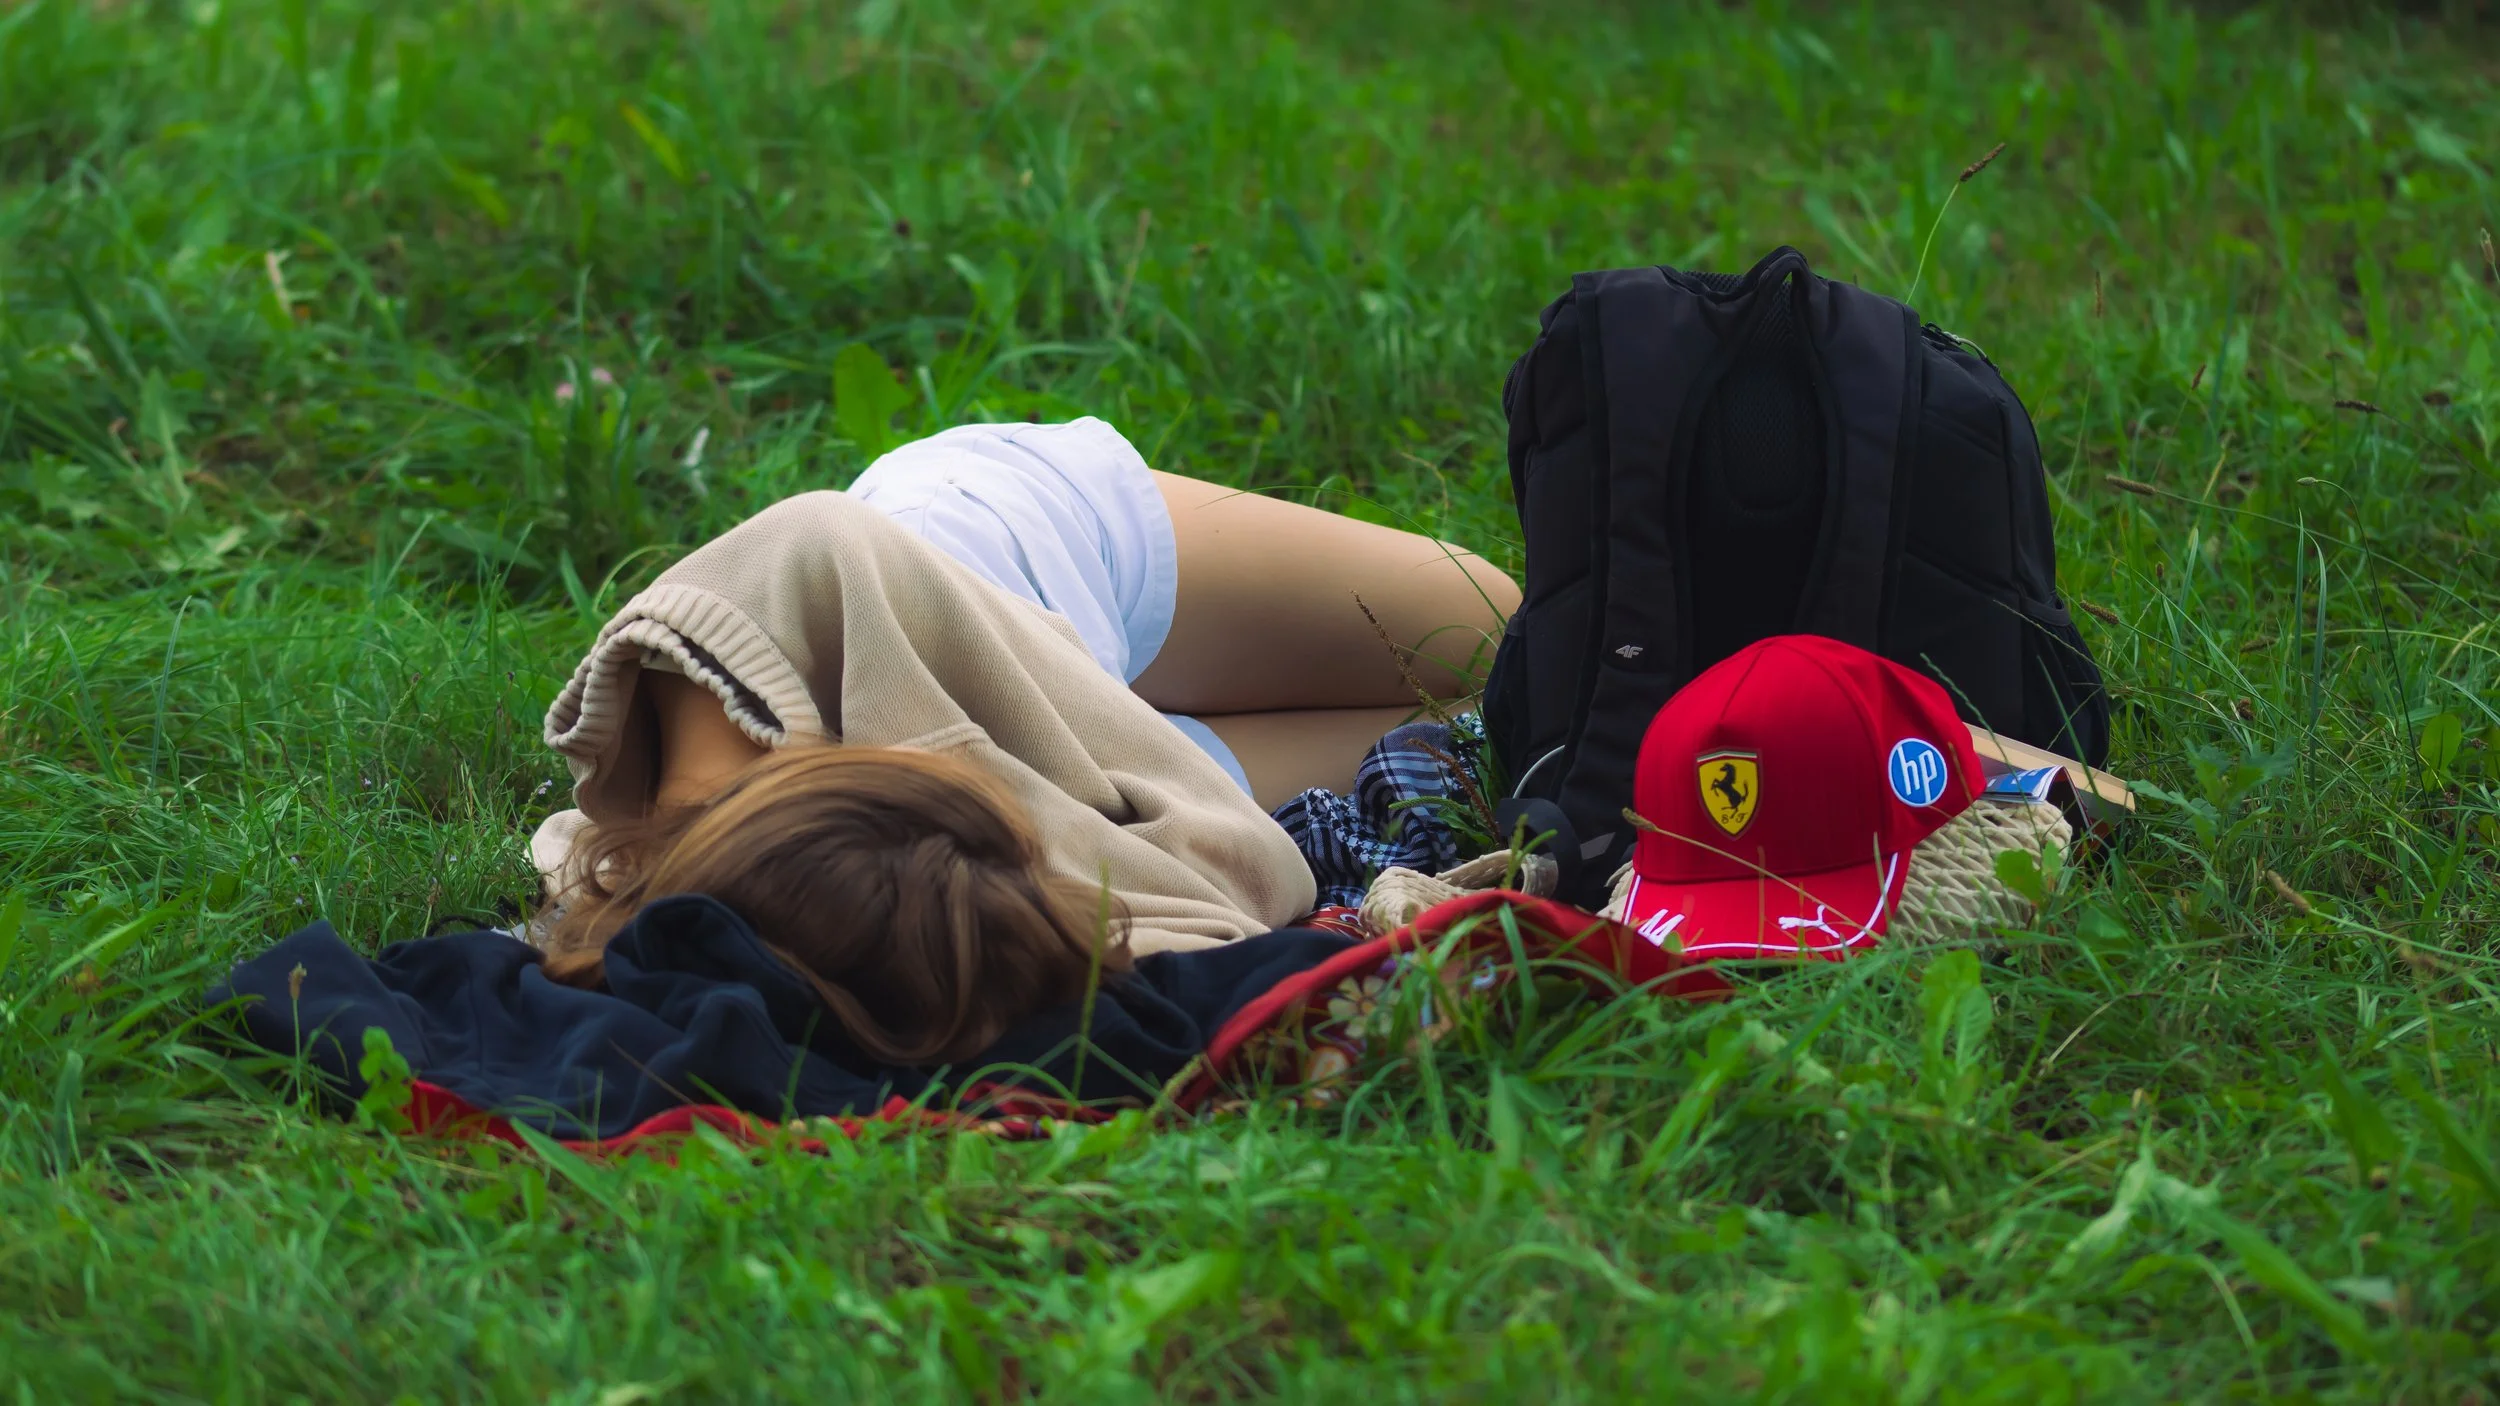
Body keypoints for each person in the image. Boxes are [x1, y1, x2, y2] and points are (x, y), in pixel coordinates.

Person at [530, 418, 1519, 1058]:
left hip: (1014, 549)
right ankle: (1144, 718)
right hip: (1088, 745)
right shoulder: (858, 894)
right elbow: (1230, 884)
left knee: (1494, 630)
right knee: (1493, 731)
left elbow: (1251, 880)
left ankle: (1123, 700)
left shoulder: (784, 587)